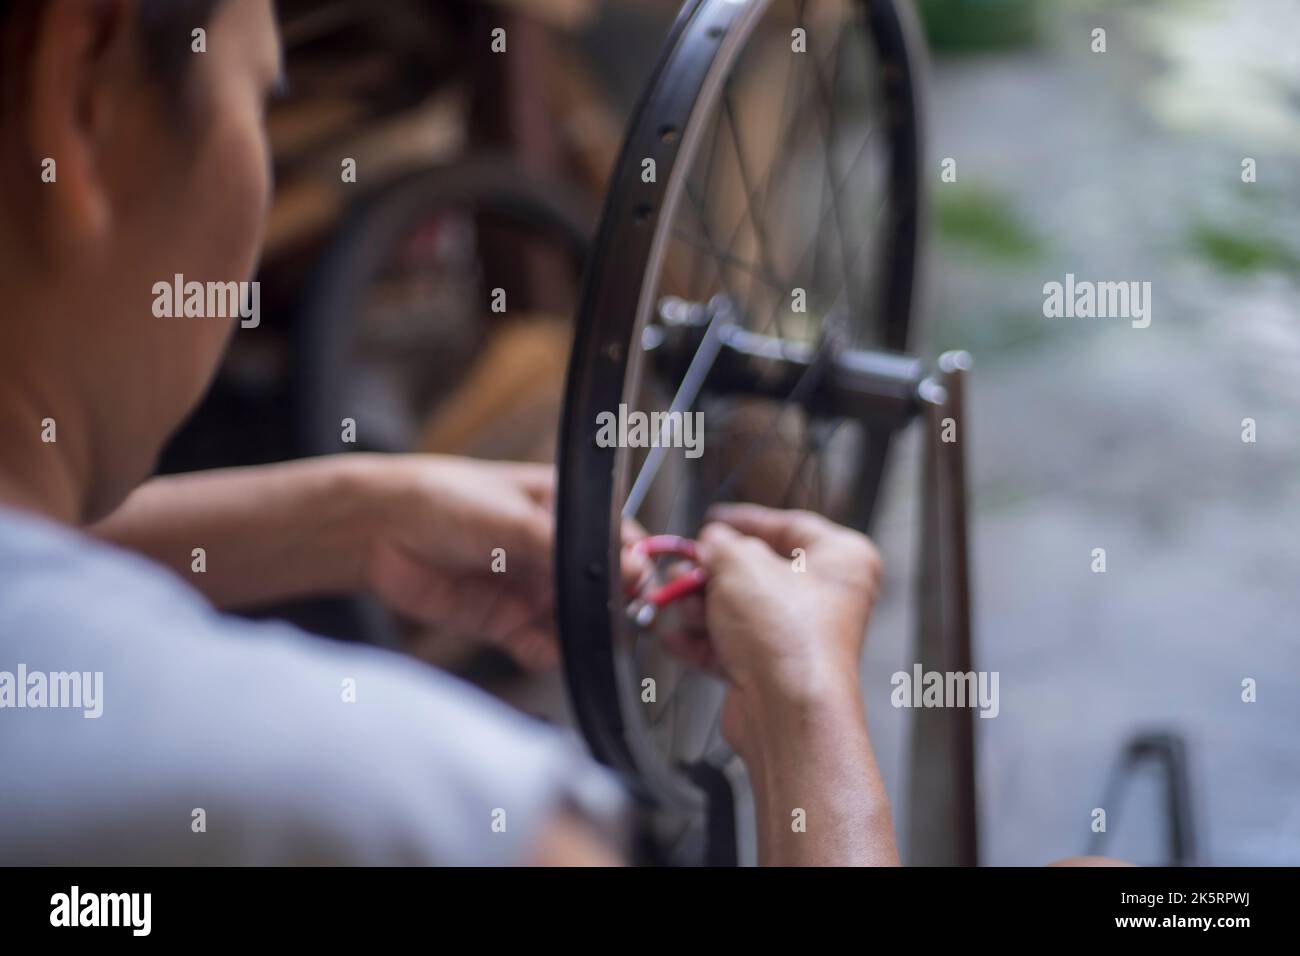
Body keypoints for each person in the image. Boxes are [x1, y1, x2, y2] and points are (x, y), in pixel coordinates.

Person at [0, 0, 896, 865]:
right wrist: (808, 713)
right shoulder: (415, 814)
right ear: (80, 95)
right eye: (257, 99)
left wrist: (338, 520)